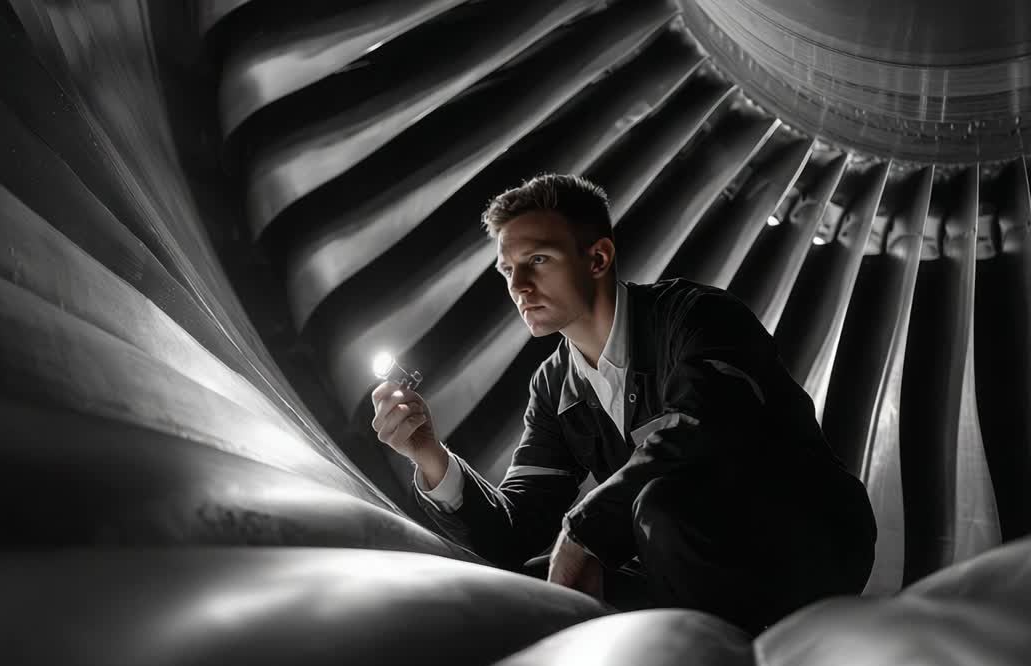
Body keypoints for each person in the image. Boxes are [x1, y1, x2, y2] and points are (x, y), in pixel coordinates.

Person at [370, 173, 876, 633]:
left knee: (661, 506)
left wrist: (582, 532)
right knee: (518, 588)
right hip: (681, 564)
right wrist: (429, 454)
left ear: (597, 259)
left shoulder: (697, 316)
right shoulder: (554, 386)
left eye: (538, 260)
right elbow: (515, 530)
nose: (519, 287)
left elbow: (705, 429)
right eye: (507, 269)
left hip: (803, 546)